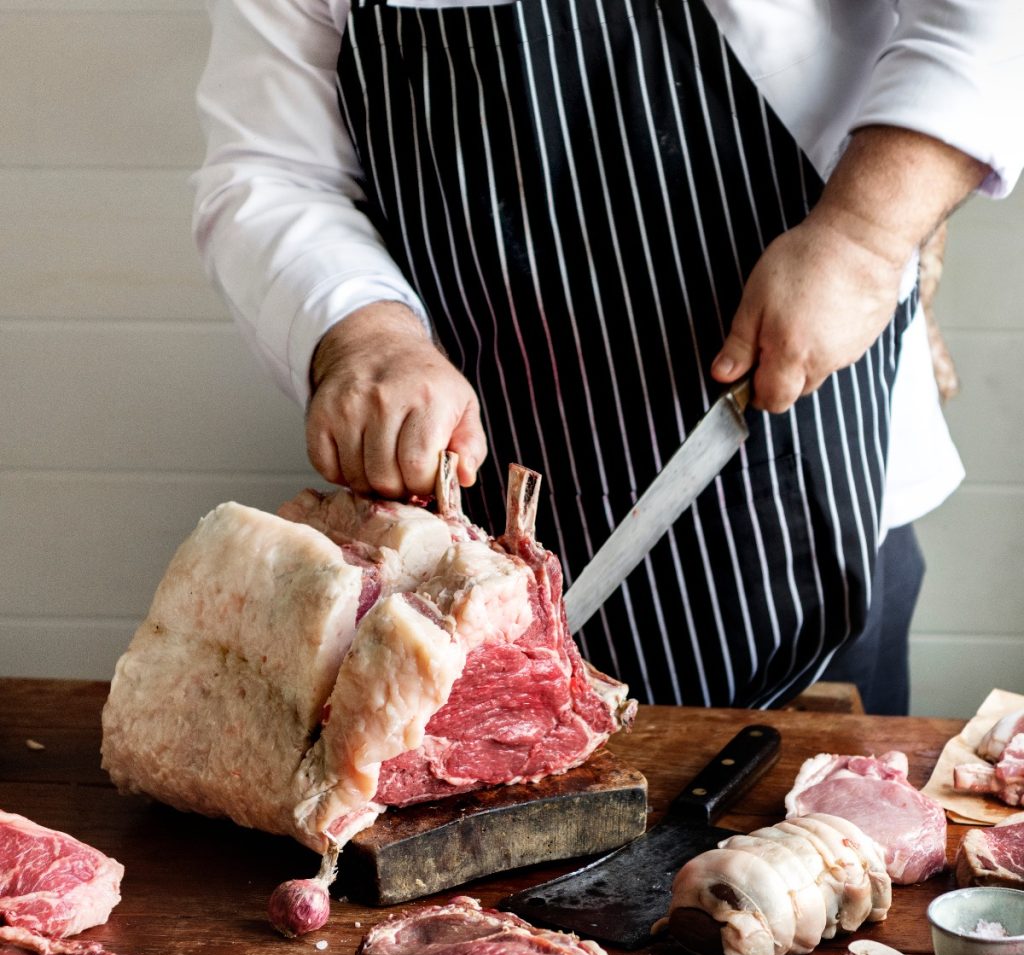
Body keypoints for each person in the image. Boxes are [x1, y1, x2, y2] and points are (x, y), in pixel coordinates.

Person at [191, 0, 1024, 713]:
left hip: (804, 469)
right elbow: (273, 167)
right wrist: (366, 334)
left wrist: (864, 235)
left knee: (823, 838)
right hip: (486, 510)